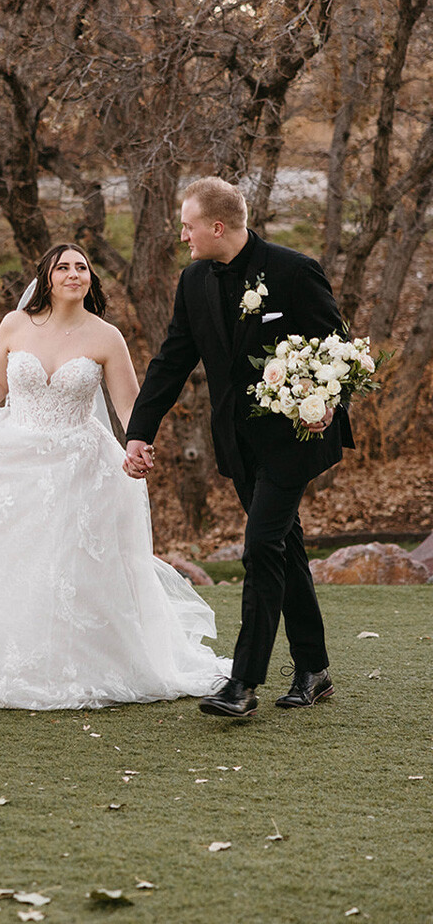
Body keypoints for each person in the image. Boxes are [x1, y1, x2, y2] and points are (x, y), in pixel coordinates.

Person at [0, 243, 230, 710]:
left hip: (78, 464)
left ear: (91, 279)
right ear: (46, 276)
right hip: (16, 453)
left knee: (68, 568)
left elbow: (130, 404)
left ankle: (79, 663)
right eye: (63, 267)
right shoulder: (15, 324)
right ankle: (12, 660)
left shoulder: (106, 337)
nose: (73, 273)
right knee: (13, 561)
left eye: (82, 267)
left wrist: (138, 444)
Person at [124, 176, 353, 718]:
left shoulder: (294, 271)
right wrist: (140, 429)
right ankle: (314, 669)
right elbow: (172, 360)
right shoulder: (194, 280)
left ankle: (242, 684)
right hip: (237, 443)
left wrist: (323, 406)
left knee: (260, 549)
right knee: (284, 549)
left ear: (217, 226)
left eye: (188, 225)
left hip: (295, 441)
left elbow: (336, 349)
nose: (183, 235)